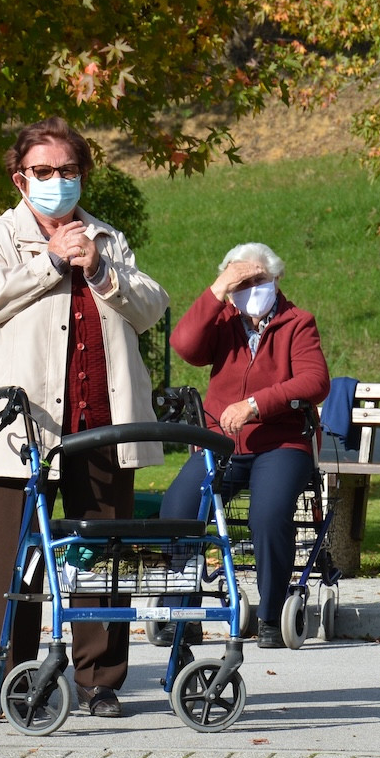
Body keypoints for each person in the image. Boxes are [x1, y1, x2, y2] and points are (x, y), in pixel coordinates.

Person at [0, 118, 170, 717]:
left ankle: (99, 681)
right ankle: (16, 674)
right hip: (21, 432)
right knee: (15, 560)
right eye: (44, 172)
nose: (57, 181)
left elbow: (152, 307)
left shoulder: (109, 238)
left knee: (98, 557)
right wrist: (50, 262)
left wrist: (101, 270)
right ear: (20, 178)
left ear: (82, 175)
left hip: (103, 425)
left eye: (68, 171)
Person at [160, 243, 330, 648]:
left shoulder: (297, 322)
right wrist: (219, 288)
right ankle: (182, 607)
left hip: (282, 441)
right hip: (221, 442)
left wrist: (256, 405)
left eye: (259, 280)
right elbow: (184, 345)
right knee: (179, 508)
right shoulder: (222, 322)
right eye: (242, 283)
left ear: (275, 280)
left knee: (268, 516)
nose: (252, 289)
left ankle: (271, 614)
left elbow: (315, 382)